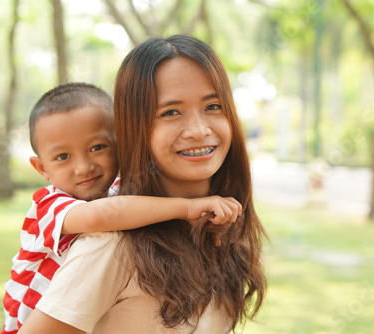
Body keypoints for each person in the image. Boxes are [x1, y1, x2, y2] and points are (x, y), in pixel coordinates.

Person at [19, 35, 267, 334]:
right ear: (134, 128)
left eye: (213, 106)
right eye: (170, 112)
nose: (199, 130)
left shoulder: (221, 232)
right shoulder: (113, 245)